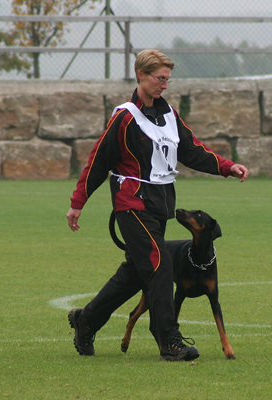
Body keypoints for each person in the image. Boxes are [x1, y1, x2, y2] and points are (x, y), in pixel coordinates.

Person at [66, 49, 248, 361]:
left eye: (167, 79)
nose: (164, 84)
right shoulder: (124, 117)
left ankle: (87, 321)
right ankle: (169, 341)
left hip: (160, 204)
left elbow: (192, 150)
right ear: (142, 76)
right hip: (132, 203)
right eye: (159, 78)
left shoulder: (169, 115)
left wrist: (226, 166)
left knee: (136, 273)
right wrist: (77, 203)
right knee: (160, 263)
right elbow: (98, 161)